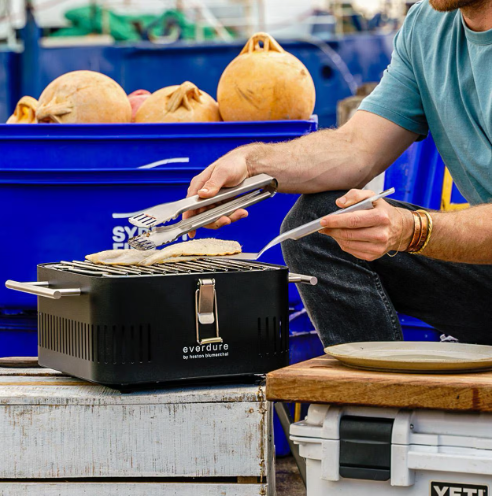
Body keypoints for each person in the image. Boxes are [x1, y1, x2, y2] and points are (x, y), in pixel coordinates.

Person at [185, 0, 492, 346]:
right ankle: (371, 379)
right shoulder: (426, 27)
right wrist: (251, 164)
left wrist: (412, 229)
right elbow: (356, 147)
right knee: (320, 224)